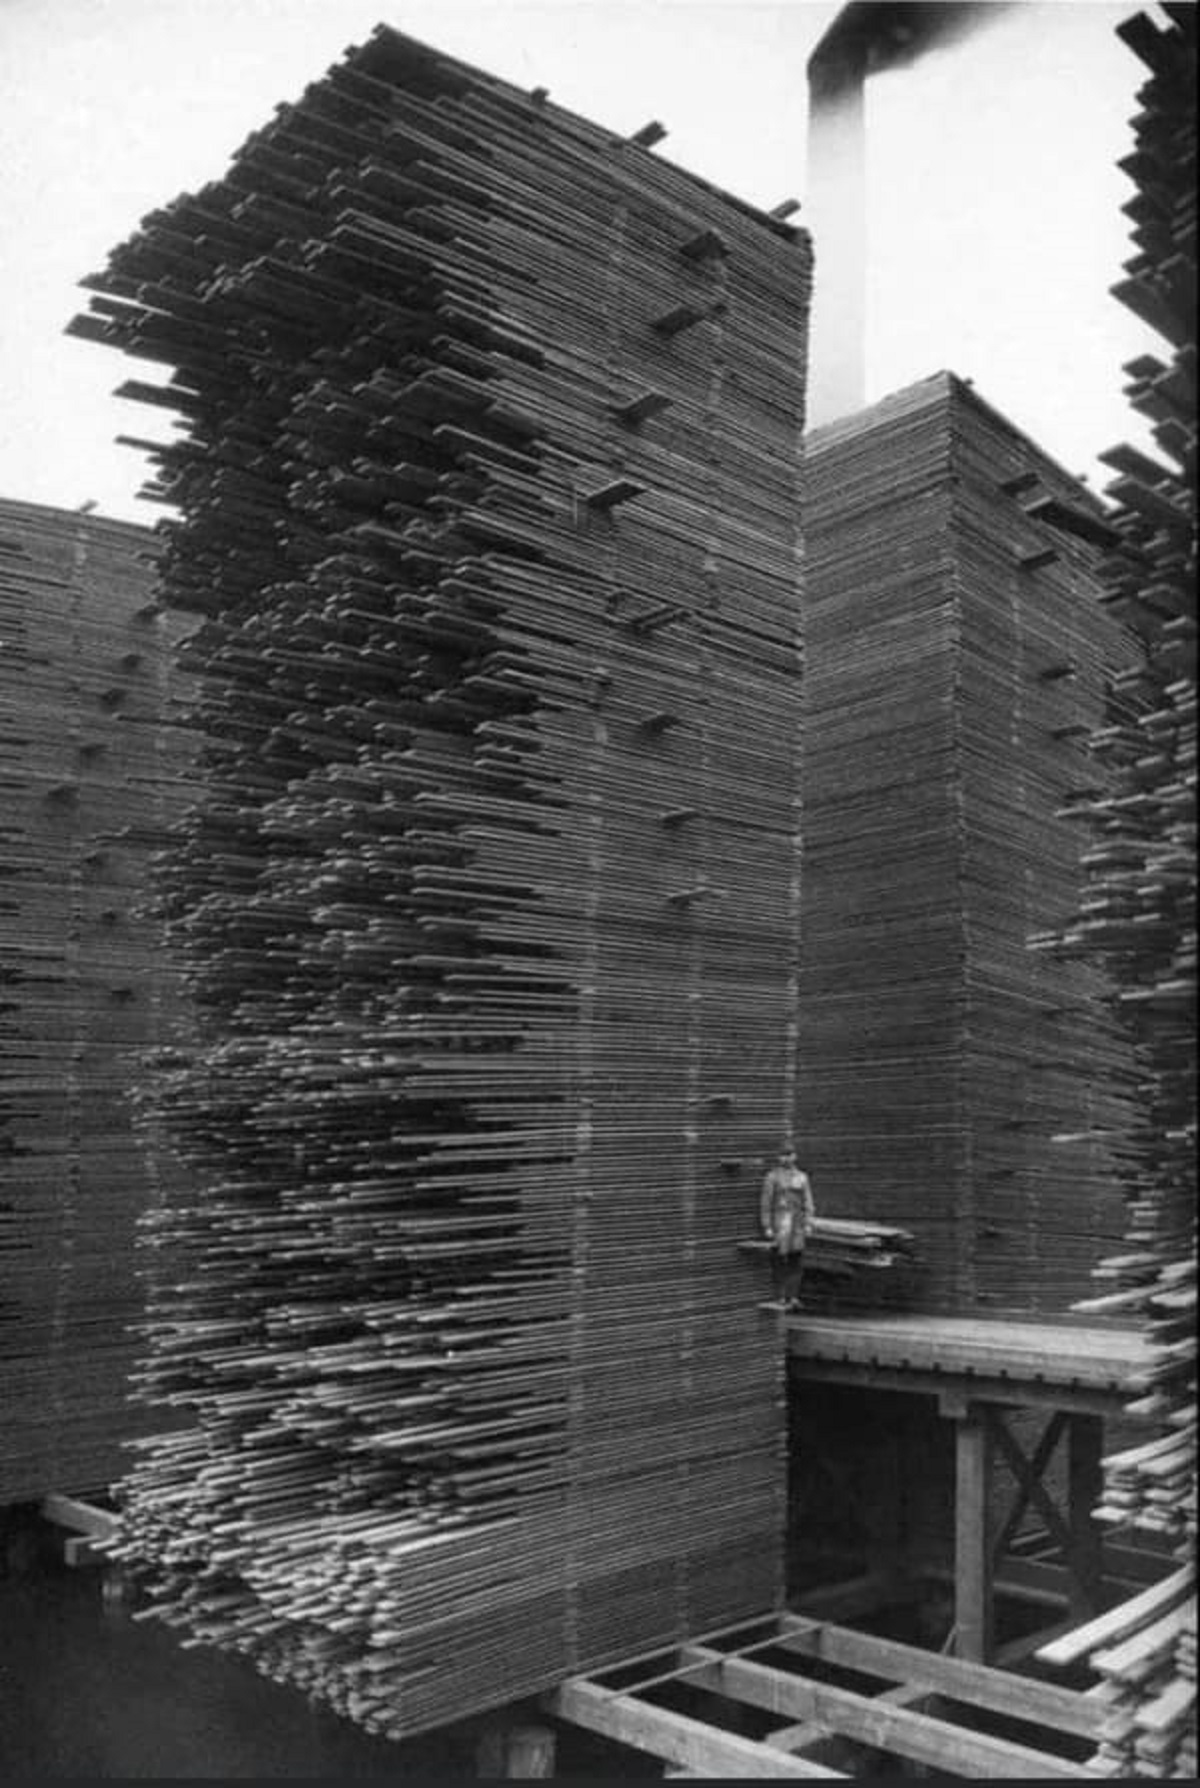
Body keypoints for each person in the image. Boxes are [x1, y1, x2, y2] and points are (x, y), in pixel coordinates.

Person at [760, 1145, 816, 1310]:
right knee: (779, 1260)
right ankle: (780, 1296)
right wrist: (767, 1226)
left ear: (795, 1156)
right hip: (780, 1222)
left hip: (797, 1223)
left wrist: (808, 1223)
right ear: (778, 1158)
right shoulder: (772, 1177)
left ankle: (793, 1296)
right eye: (783, 1155)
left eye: (789, 1155)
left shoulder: (802, 1177)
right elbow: (766, 1202)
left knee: (796, 1260)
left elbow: (808, 1202)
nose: (786, 1159)